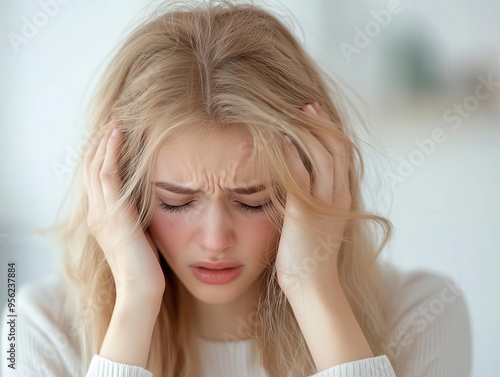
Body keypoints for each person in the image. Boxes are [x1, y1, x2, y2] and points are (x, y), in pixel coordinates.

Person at [0, 1, 472, 376]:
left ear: (319, 186)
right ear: (118, 192)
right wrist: (134, 299)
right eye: (177, 201)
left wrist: (314, 288)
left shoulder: (422, 315)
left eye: (253, 200)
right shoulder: (35, 328)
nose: (214, 240)